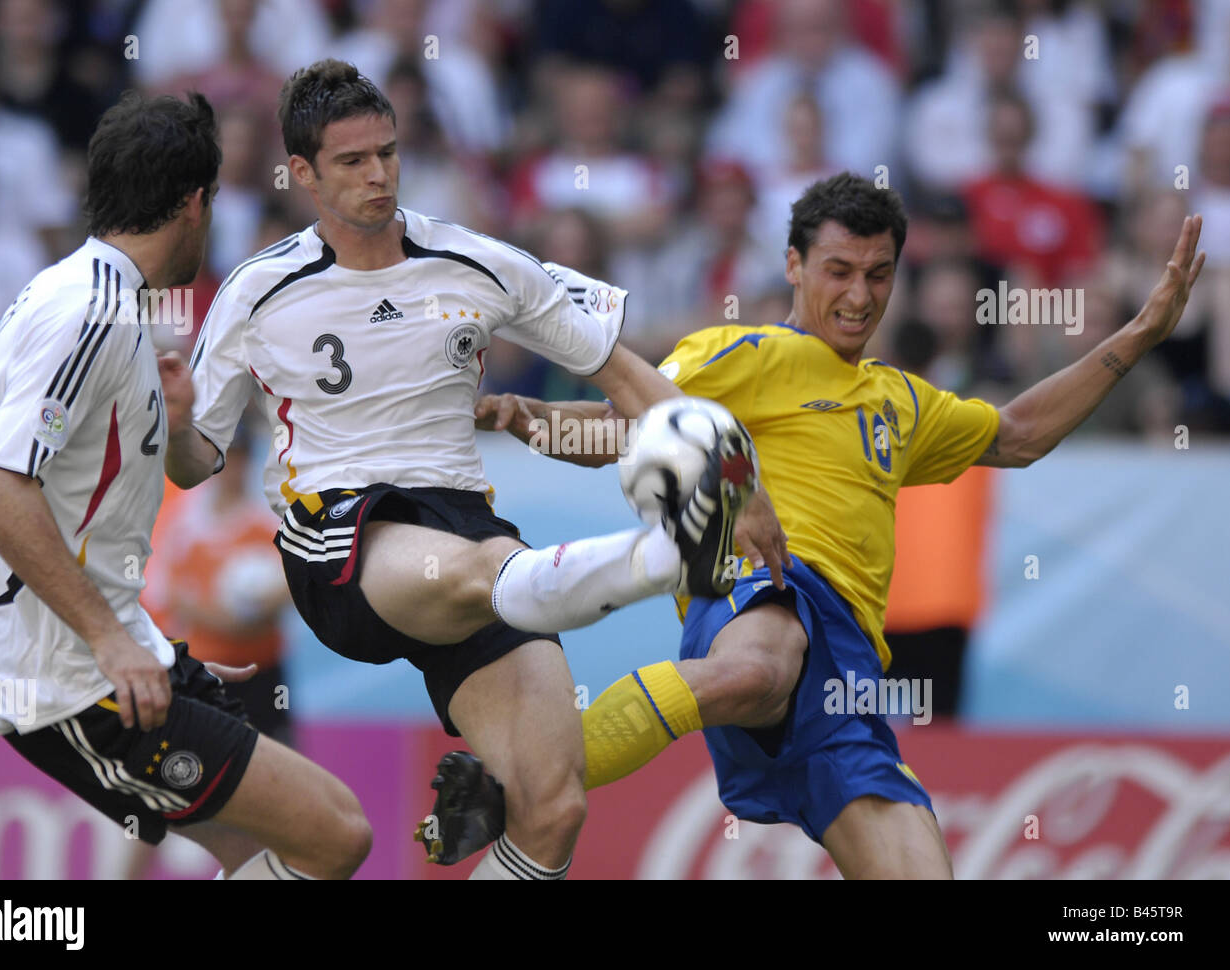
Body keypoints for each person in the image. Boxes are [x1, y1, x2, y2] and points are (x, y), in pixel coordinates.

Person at [449, 172, 1206, 878]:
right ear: (794, 265)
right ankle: (515, 777)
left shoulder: (905, 402)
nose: (858, 294)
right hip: (764, 586)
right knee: (758, 668)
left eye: (878, 274)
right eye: (838, 270)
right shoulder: (744, 352)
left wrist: (1139, 334)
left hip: (849, 686)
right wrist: (530, 417)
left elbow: (1019, 435)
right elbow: (626, 425)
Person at [161, 59, 787, 881]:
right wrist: (173, 423)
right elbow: (194, 465)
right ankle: (666, 553)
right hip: (339, 534)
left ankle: (663, 548)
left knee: (552, 805)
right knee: (488, 566)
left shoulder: (480, 262)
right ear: (304, 173)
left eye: (387, 152)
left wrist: (736, 480)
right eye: (352, 162)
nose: (378, 174)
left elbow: (631, 380)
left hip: (464, 524)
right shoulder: (258, 289)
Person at [0, 90, 371, 880]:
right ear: (195, 204)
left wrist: (176, 422)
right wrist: (113, 642)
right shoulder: (89, 313)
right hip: (72, 679)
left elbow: (179, 469)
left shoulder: (115, 306)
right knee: (337, 833)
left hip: (118, 655)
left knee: (269, 851)